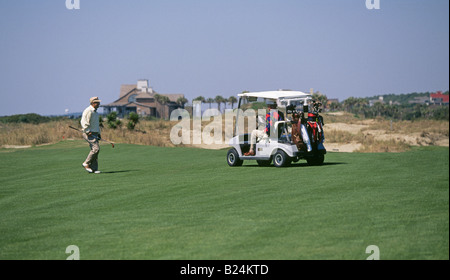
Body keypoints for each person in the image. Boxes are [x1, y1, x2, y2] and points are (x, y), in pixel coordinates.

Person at [81, 97, 102, 174]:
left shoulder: (95, 112)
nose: (99, 104)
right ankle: (86, 163)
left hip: (95, 133)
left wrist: (99, 133)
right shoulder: (88, 110)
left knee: (95, 151)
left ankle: (94, 169)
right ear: (93, 103)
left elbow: (96, 124)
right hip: (89, 133)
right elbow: (84, 121)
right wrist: (87, 131)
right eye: (97, 102)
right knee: (96, 149)